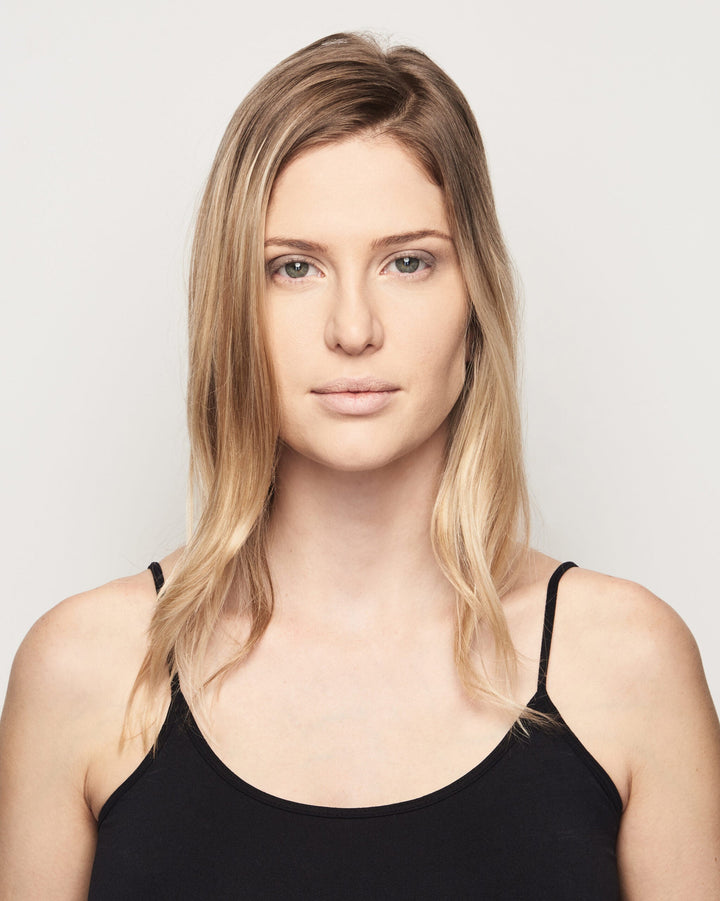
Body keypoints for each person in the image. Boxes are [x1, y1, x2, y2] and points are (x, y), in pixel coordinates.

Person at [1, 30, 719, 900]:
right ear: (232, 304)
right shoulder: (85, 672)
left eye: (407, 261)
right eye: (294, 267)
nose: (353, 327)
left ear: (475, 299)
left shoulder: (630, 665)